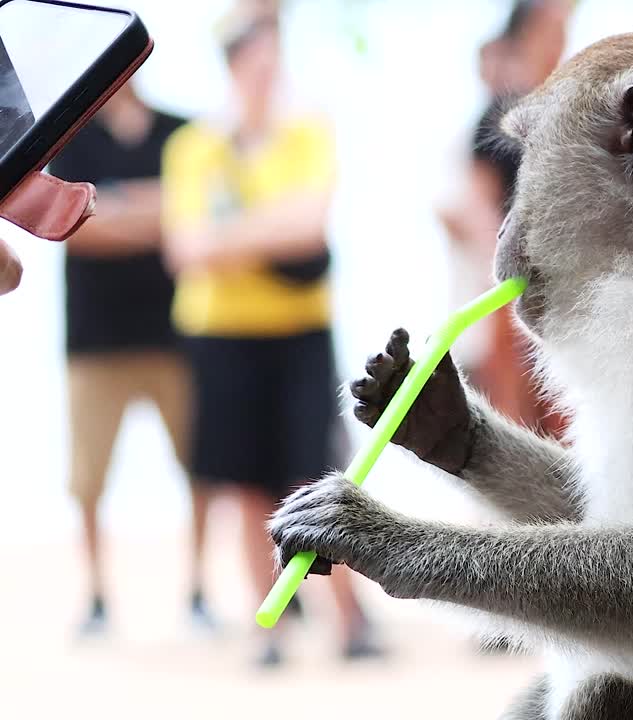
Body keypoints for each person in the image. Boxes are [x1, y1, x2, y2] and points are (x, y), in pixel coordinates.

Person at [161, 3, 379, 665]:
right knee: (244, 481)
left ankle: (348, 621)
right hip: (222, 333)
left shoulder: (307, 133)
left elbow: (309, 224)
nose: (265, 70)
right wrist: (267, 228)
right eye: (254, 58)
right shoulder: (194, 146)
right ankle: (273, 625)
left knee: (319, 471)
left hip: (298, 330)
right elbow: (187, 248)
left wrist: (236, 236)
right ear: (232, 65)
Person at [45, 82, 215, 636]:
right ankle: (95, 598)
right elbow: (68, 227)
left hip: (177, 334)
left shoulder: (181, 131)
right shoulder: (67, 137)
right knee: (89, 482)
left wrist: (111, 205)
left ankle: (198, 592)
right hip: (94, 342)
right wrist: (157, 209)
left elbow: (196, 213)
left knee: (200, 471)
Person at [440, 0, 571, 437]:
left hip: (559, 288)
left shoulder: (561, 108)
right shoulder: (502, 113)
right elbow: (473, 203)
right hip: (511, 292)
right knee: (513, 420)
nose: (561, 40)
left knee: (559, 420)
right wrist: (498, 268)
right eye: (552, 29)